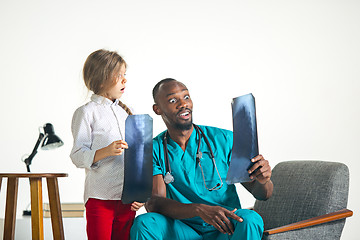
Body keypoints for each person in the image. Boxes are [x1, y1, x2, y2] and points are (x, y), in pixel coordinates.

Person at [130, 78, 273, 240]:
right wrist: (199, 210)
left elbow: (262, 194)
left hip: (225, 228)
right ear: (158, 109)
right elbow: (155, 203)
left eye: (186, 97)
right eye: (172, 100)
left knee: (250, 219)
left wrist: (263, 181)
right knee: (145, 223)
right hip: (183, 230)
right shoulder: (153, 149)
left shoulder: (224, 139)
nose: (183, 104)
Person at [70, 49, 144, 240]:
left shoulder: (127, 113)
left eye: (124, 75)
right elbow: (78, 155)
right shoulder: (86, 112)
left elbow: (138, 160)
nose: (124, 80)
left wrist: (140, 194)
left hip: (127, 199)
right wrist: (106, 151)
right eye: (118, 75)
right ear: (101, 79)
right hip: (100, 198)